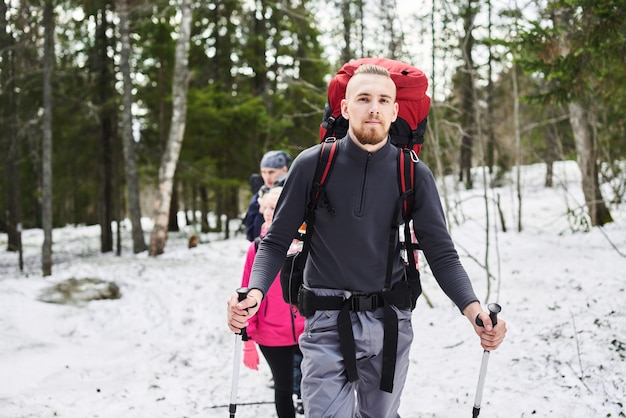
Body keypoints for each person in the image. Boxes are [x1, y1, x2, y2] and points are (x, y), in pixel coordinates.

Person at [228, 63, 507, 417]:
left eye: (382, 100)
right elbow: (276, 240)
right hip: (325, 320)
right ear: (345, 108)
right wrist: (254, 292)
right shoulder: (312, 165)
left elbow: (441, 252)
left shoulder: (413, 174)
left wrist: (473, 309)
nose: (373, 107)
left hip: (389, 322)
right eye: (363, 98)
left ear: (394, 110)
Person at [239, 186, 305, 418]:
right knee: (283, 387)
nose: (268, 212)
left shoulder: (306, 244)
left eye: (274, 207)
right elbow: (246, 295)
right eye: (265, 207)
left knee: (313, 384)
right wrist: (247, 342)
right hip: (271, 336)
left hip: (308, 330)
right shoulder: (256, 248)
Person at [243, 150, 291, 242]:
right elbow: (250, 231)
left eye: (271, 172)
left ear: (284, 170)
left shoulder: (291, 193)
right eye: (263, 172)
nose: (267, 177)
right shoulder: (260, 193)